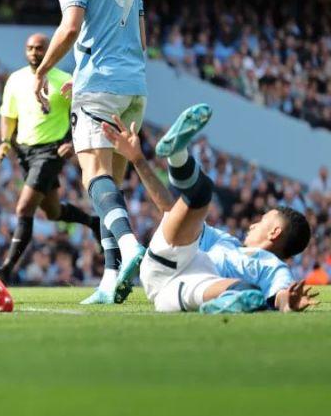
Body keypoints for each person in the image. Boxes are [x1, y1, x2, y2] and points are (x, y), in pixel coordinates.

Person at [34, 0, 148, 304]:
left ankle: (132, 247)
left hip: (100, 83)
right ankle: (111, 278)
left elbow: (70, 27)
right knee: (110, 187)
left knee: (94, 179)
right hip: (134, 87)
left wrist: (43, 71)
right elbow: (142, 38)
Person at [103, 104, 318, 313]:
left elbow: (280, 292)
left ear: (274, 232)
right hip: (167, 260)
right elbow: (171, 209)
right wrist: (138, 159)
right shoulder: (224, 241)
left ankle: (224, 304)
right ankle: (177, 155)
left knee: (248, 292)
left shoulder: (271, 266)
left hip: (184, 288)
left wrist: (286, 301)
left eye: (262, 221)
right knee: (201, 192)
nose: (253, 224)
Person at [0, 33, 99, 281]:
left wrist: (73, 143)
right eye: (30, 48)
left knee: (24, 207)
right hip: (24, 151)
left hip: (51, 151)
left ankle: (5, 270)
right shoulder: (16, 79)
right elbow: (8, 115)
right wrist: (4, 142)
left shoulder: (65, 81)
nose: (34, 52)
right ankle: (93, 222)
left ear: (49, 50)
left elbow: (85, 114)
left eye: (39, 48)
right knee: (52, 212)